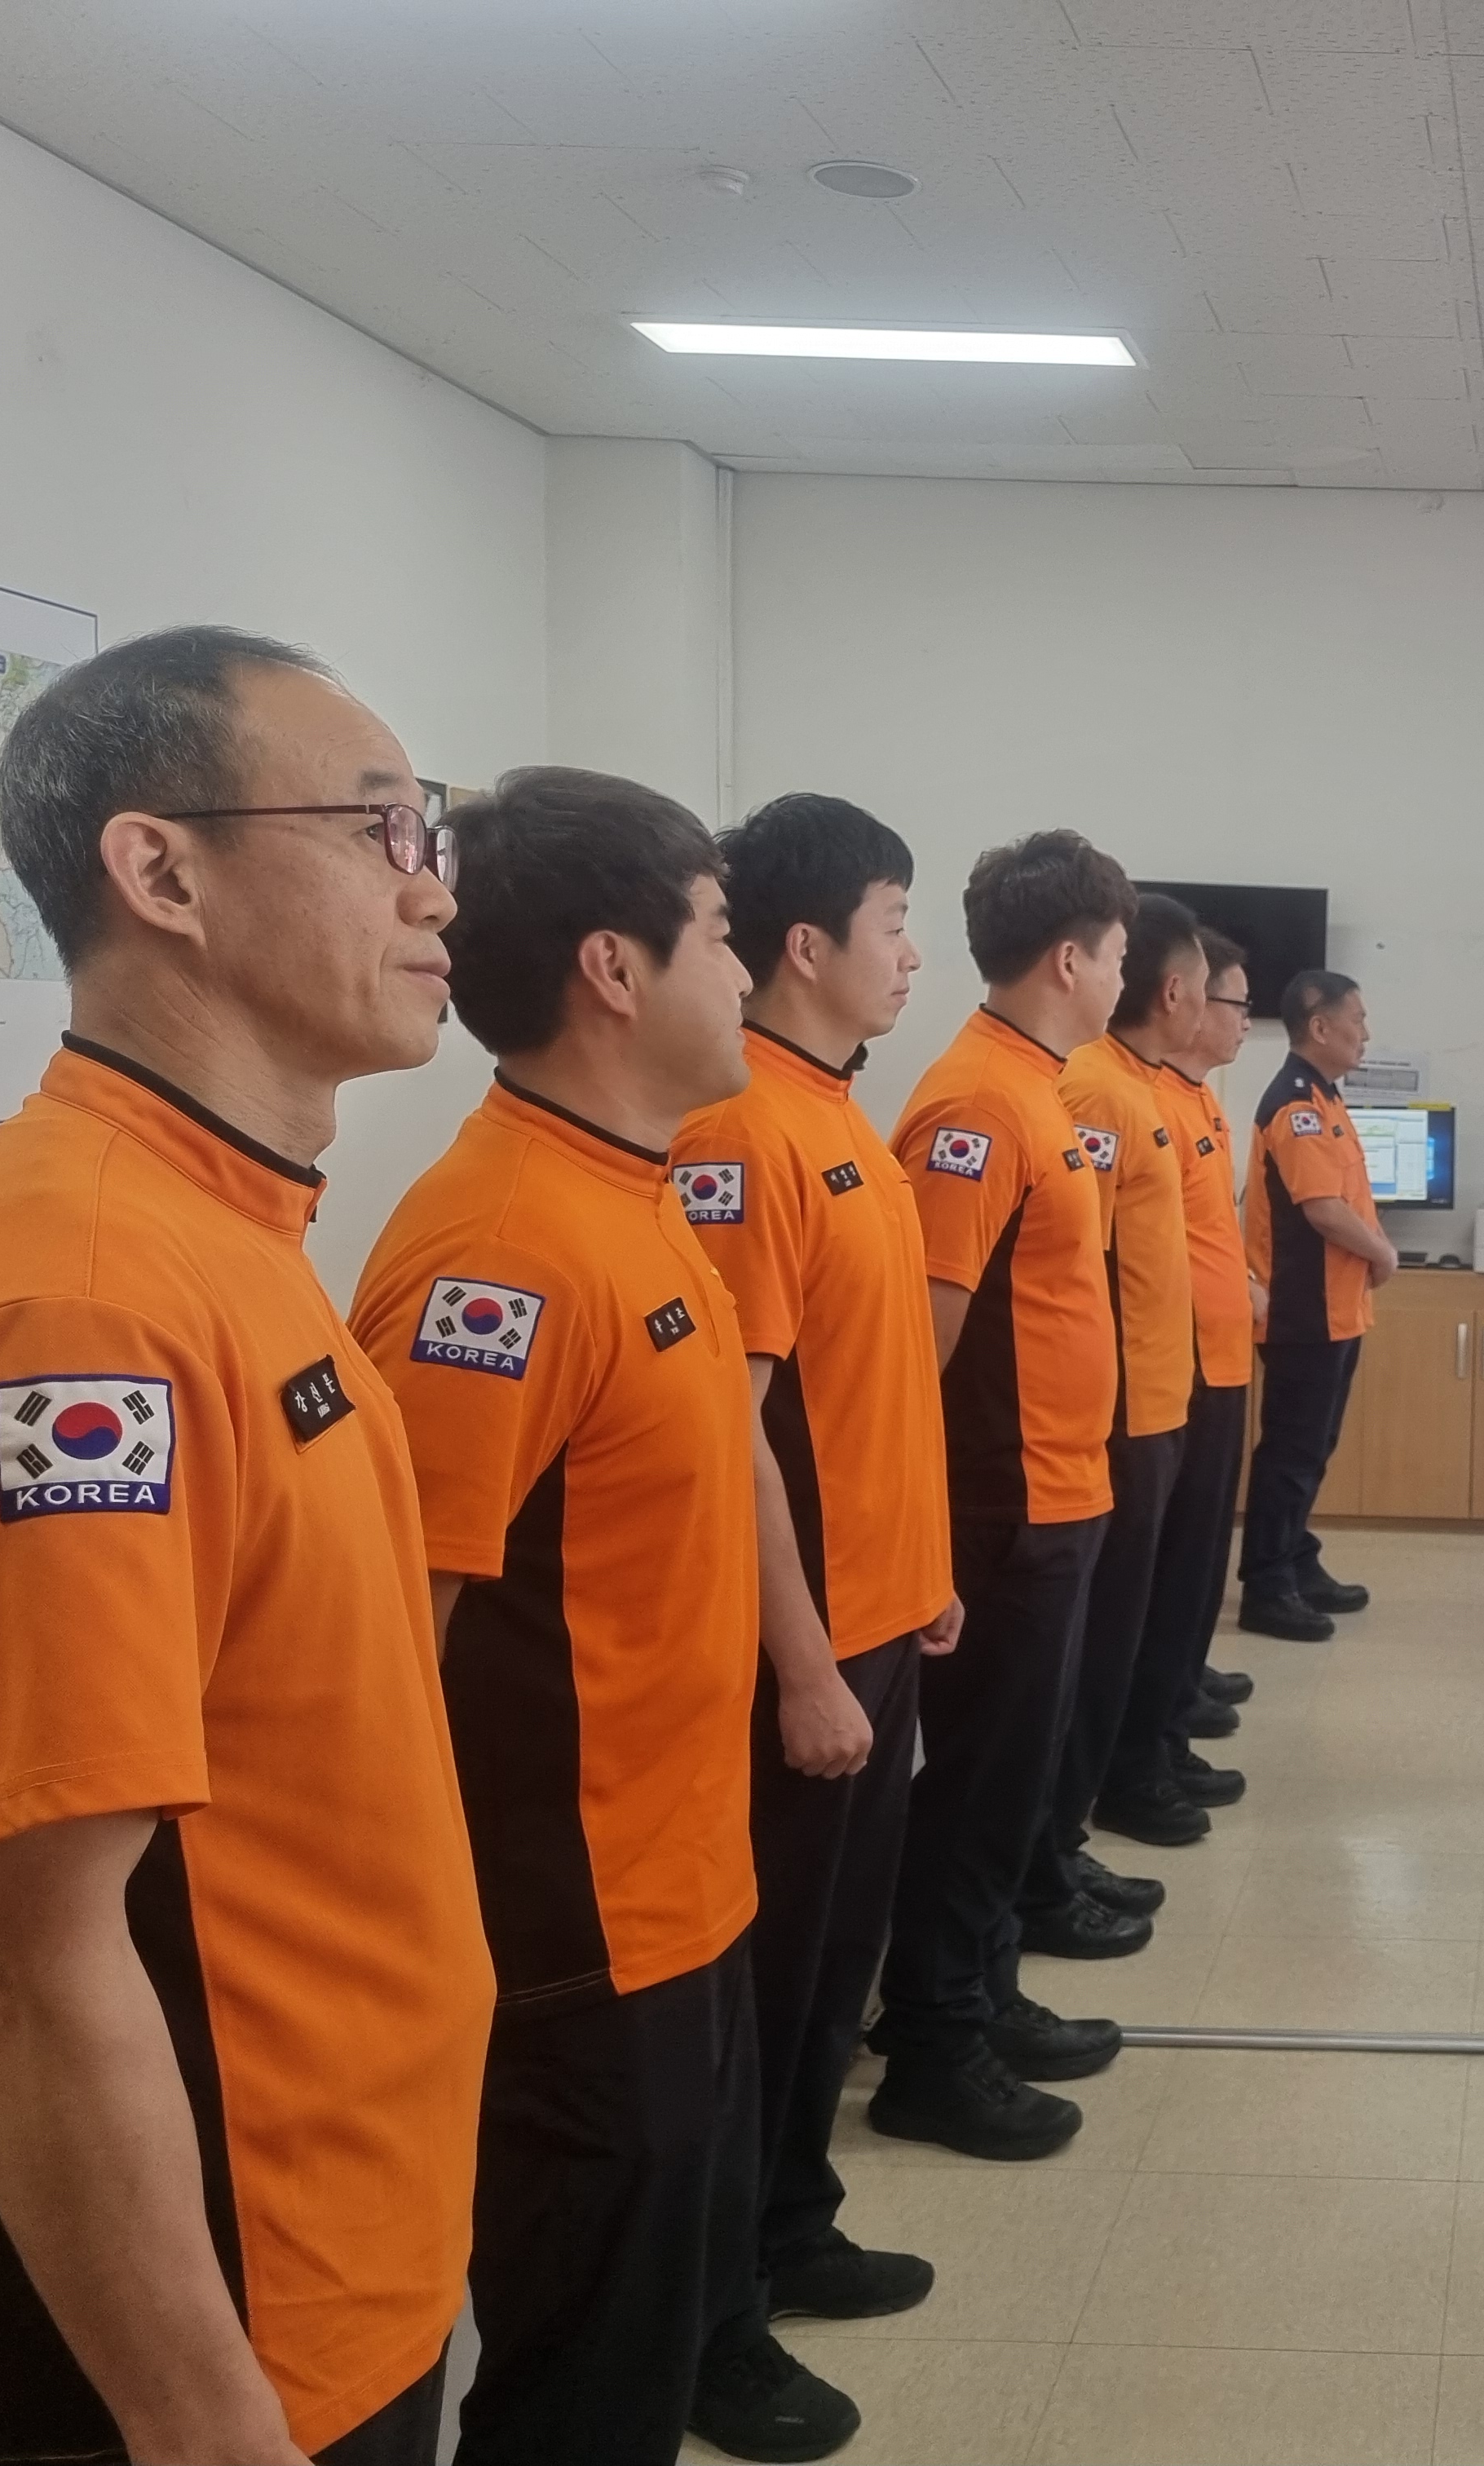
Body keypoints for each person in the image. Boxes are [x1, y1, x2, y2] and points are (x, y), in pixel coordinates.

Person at [0, 628, 488, 2466]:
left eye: (430, 832)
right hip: (222, 2333)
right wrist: (207, 2423)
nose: (433, 888)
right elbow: (24, 1957)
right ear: (161, 872)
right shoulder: (77, 1306)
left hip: (338, 2239)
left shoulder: (225, 1235)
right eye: (378, 828)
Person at [352, 767, 853, 2463]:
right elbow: (391, 1651)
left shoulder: (633, 1196)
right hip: (575, 1925)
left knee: (653, 2335)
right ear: (615, 971)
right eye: (718, 934)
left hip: (685, 1872)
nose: (746, 973)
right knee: (581, 2372)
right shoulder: (499, 1253)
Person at [668, 797, 959, 2358]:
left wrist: (926, 1574)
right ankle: (724, 2301)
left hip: (884, 1610)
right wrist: (802, 1661)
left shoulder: (841, 1113)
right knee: (776, 1981)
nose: (910, 954)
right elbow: (738, 1431)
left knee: (837, 1961)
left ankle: (796, 2220)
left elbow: (874, 1387)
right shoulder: (742, 1132)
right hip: (816, 1642)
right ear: (806, 943)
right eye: (893, 922)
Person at [870, 830, 1135, 2164]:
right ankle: (933, 2041)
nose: (1124, 978)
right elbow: (920, 1346)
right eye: (1119, 954)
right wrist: (927, 1536)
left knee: (1016, 1777)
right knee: (976, 1784)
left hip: (1062, 1488)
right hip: (1003, 1502)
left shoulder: (1039, 1088)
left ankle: (981, 1988)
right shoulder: (976, 1105)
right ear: (1070, 959)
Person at [1014, 894, 1209, 1933]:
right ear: (1172, 991)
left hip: (1156, 1401)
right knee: (1088, 1656)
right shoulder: (1095, 1088)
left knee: (1120, 1637)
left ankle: (1064, 1841)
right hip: (1118, 1413)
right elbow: (1069, 1267)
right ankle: (1048, 1855)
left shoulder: (1134, 1085)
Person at [1102, 922, 1260, 1844]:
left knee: (1194, 1570)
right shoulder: (1119, 1091)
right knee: (1155, 1584)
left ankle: (1164, 1729)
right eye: (1226, 997)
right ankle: (1137, 1760)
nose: (1232, 1016)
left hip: (1208, 1362)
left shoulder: (1188, 1097)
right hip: (1165, 1374)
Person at [1237, 968, 1392, 1641]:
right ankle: (1268, 1585)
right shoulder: (1295, 1105)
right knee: (1292, 1452)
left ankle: (1297, 1560)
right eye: (1357, 1019)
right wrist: (1384, 1254)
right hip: (1304, 1312)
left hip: (1336, 1308)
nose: (1366, 1033)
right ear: (1320, 1027)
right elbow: (1324, 1208)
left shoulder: (1325, 1098)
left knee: (1313, 1448)